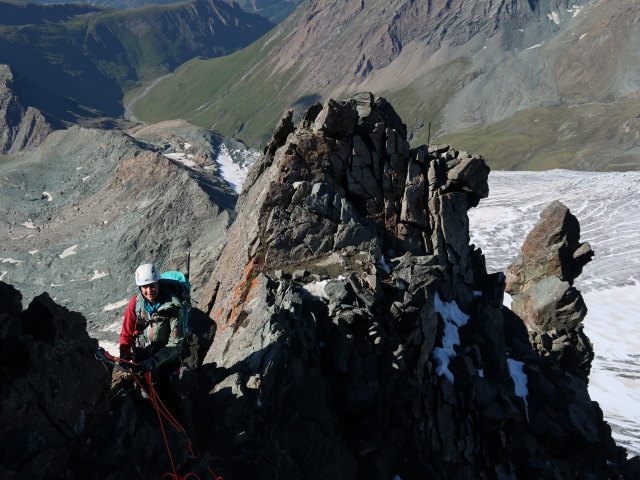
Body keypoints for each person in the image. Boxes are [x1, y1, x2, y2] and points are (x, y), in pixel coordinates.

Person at [119, 263, 185, 410]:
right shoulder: (135, 304)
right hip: (142, 359)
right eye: (145, 287)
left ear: (158, 284)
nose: (149, 291)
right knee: (147, 400)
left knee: (171, 401)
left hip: (166, 360)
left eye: (153, 285)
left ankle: (179, 428)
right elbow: (127, 333)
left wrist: (154, 361)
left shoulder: (174, 306)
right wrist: (124, 354)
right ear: (140, 288)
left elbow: (176, 343)